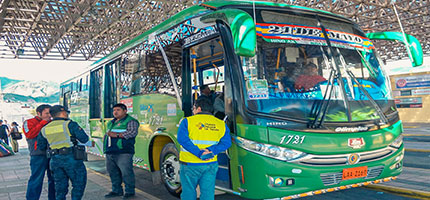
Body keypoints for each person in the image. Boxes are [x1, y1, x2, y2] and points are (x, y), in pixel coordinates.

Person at [177, 98, 231, 200]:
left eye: (194, 108)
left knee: (188, 192)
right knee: (208, 194)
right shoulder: (221, 124)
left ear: (199, 108)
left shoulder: (187, 121)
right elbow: (226, 143)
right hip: (210, 164)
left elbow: (183, 140)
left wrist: (199, 152)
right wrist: (211, 150)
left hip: (189, 164)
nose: (193, 111)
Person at [37, 105, 89, 200]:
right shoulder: (70, 124)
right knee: (78, 184)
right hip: (71, 159)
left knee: (60, 187)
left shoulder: (45, 128)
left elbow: (40, 146)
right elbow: (84, 138)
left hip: (55, 161)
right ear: (63, 112)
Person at [104, 103, 139, 199]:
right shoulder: (111, 122)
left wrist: (117, 135)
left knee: (126, 173)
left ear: (125, 111)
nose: (115, 112)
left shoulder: (131, 121)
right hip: (110, 151)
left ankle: (129, 192)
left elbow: (132, 133)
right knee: (113, 172)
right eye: (114, 110)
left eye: (118, 110)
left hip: (123, 152)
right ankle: (116, 190)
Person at [22, 104, 55, 200]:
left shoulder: (53, 122)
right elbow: (30, 134)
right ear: (39, 113)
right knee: (36, 179)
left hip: (52, 154)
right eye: (46, 113)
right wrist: (43, 123)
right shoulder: (28, 122)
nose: (49, 115)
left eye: (50, 113)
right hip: (38, 155)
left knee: (53, 179)